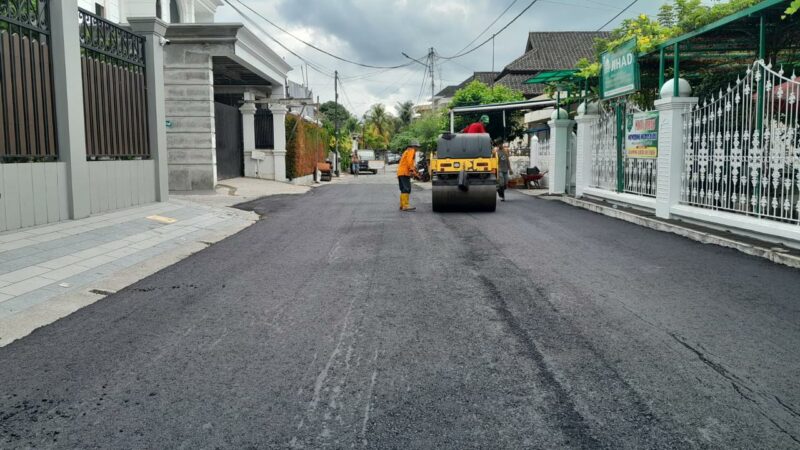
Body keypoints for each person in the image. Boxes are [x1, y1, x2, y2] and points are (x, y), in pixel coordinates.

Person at [397, 140, 420, 211]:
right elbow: (409, 161)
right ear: (414, 146)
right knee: (406, 189)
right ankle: (406, 205)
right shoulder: (411, 151)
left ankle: (402, 205)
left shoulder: (406, 151)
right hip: (404, 173)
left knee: (403, 189)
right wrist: (411, 170)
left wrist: (415, 172)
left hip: (400, 172)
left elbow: (408, 162)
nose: (417, 149)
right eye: (417, 147)